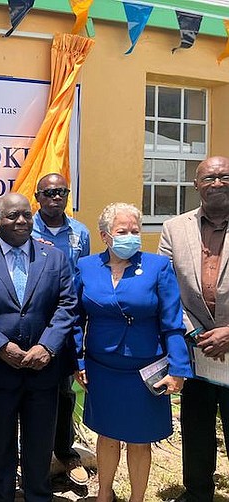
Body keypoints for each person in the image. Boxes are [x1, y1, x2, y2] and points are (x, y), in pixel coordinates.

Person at [0, 193, 77, 502]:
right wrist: (1, 347)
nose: (21, 220)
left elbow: (67, 305)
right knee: (0, 444)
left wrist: (47, 347)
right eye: (12, 216)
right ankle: (2, 496)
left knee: (39, 444)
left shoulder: (54, 258)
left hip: (44, 370)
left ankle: (38, 495)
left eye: (26, 214)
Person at [75, 202, 192, 502]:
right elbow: (76, 318)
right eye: (122, 231)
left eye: (134, 231)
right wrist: (77, 358)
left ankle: (136, 498)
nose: (130, 236)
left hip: (145, 371)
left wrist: (178, 369)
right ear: (104, 236)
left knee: (140, 440)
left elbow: (172, 322)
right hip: (102, 368)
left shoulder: (157, 267)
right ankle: (104, 494)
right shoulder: (86, 267)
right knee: (107, 433)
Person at [158, 156, 229, 502]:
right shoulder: (174, 228)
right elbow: (167, 287)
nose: (217, 182)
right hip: (195, 348)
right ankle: (197, 492)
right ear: (196, 185)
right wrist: (194, 332)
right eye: (209, 178)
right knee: (196, 427)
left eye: (224, 176)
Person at [32, 173, 90, 486]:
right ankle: (26, 452)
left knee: (65, 392)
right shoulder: (26, 229)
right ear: (38, 196)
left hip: (69, 323)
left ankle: (65, 452)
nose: (56, 197)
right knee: (31, 391)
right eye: (49, 192)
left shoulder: (80, 232)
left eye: (62, 192)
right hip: (34, 322)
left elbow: (82, 276)